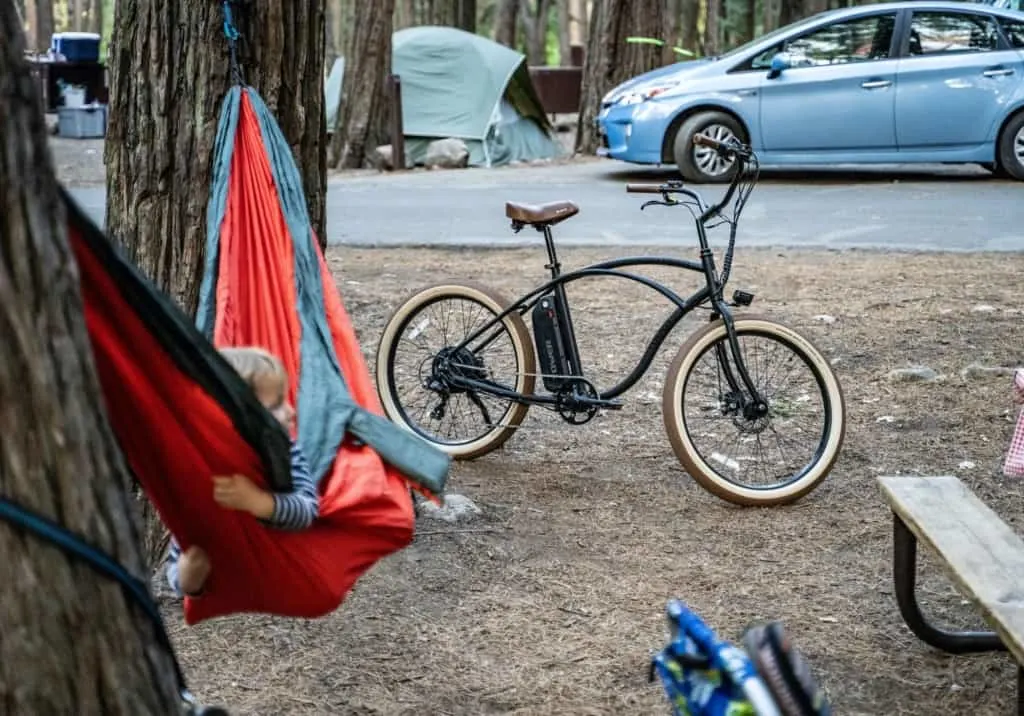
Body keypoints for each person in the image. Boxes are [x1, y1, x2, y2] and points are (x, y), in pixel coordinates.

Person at [166, 346, 319, 597]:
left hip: (276, 556)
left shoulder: (287, 453)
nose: (291, 412)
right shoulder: (206, 462)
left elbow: (307, 510)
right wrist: (187, 569)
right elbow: (185, 526)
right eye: (277, 404)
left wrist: (259, 502)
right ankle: (191, 579)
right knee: (188, 563)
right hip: (222, 563)